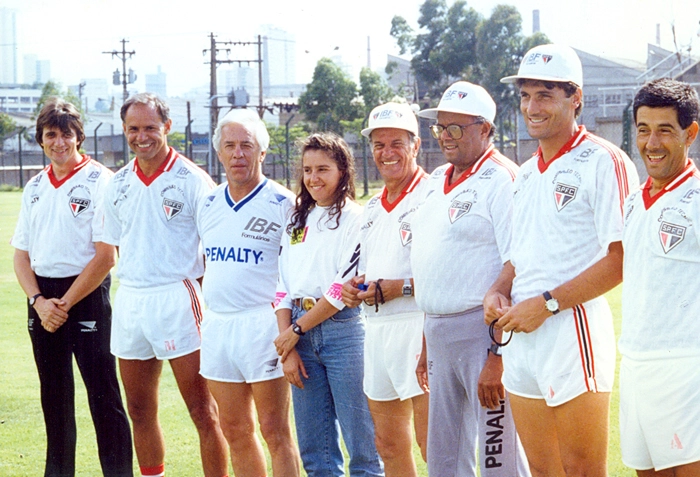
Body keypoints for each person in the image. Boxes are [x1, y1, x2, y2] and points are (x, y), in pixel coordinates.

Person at [485, 44, 639, 476]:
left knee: (583, 470)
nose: (531, 108)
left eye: (545, 95)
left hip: (572, 330)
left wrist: (548, 303)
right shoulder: (528, 170)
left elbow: (622, 258)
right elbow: (520, 254)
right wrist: (498, 289)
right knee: (543, 471)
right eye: (526, 95)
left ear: (576, 98)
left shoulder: (604, 160)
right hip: (523, 336)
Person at [103, 93, 228, 477]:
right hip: (132, 301)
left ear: (167, 128)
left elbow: (213, 252)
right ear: (124, 131)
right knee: (139, 410)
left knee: (203, 410)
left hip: (179, 297)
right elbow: (120, 246)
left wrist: (215, 311)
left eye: (151, 128)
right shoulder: (117, 183)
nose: (142, 137)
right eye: (134, 129)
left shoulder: (193, 180)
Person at [412, 81, 530, 477]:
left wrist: (497, 356)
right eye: (440, 128)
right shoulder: (435, 179)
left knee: (499, 458)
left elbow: (517, 265)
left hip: (483, 335)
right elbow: (433, 265)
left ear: (485, 128)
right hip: (439, 333)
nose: (446, 136)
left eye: (456, 128)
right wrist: (427, 341)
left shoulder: (502, 179)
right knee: (444, 458)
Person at [11, 98, 133, 476]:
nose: (59, 142)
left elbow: (105, 256)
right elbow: (21, 255)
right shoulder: (33, 186)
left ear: (79, 136)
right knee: (54, 397)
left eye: (66, 134)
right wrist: (38, 301)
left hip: (84, 295)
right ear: (41, 140)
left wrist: (62, 303)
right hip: (42, 300)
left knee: (103, 396)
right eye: (51, 135)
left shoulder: (101, 180)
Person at [273, 132, 384, 477]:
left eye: (323, 169)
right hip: (299, 337)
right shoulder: (295, 220)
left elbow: (341, 289)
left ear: (342, 171)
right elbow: (282, 286)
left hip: (343, 333)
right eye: (307, 170)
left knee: (363, 449)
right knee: (316, 453)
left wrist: (295, 330)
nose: (313, 178)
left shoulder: (357, 218)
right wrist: (287, 346)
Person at [197, 108, 300, 477]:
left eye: (246, 145)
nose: (238, 154)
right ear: (219, 153)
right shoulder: (207, 203)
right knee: (235, 430)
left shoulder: (284, 203)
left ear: (262, 153)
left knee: (275, 431)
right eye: (230, 146)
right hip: (219, 326)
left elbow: (295, 272)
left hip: (264, 326)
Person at [341, 102, 429, 477]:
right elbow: (366, 268)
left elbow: (454, 275)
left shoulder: (433, 195)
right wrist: (353, 288)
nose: (386, 153)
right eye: (379, 145)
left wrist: (402, 288)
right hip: (376, 330)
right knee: (389, 445)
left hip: (419, 326)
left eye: (396, 143)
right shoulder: (373, 206)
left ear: (416, 145)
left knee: (434, 444)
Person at [619, 78, 700, 477]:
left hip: (686, 371)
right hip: (635, 367)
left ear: (691, 133)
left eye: (665, 130)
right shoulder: (634, 201)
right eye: (644, 129)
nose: (652, 143)